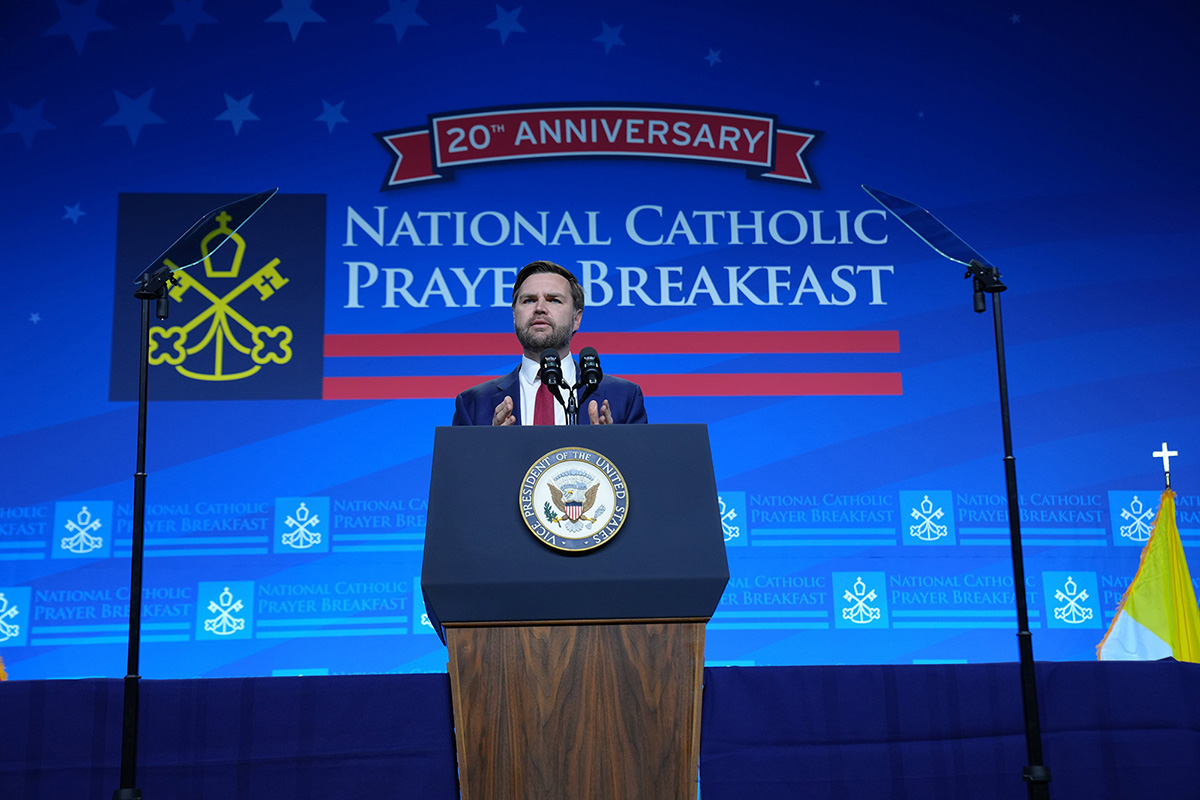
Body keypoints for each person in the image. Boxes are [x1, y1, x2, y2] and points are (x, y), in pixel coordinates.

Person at [452, 260, 648, 426]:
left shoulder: (624, 398)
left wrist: (612, 448)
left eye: (553, 300)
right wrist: (490, 449)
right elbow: (459, 471)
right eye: (528, 300)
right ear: (514, 316)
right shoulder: (473, 404)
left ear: (576, 318)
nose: (539, 308)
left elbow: (641, 470)